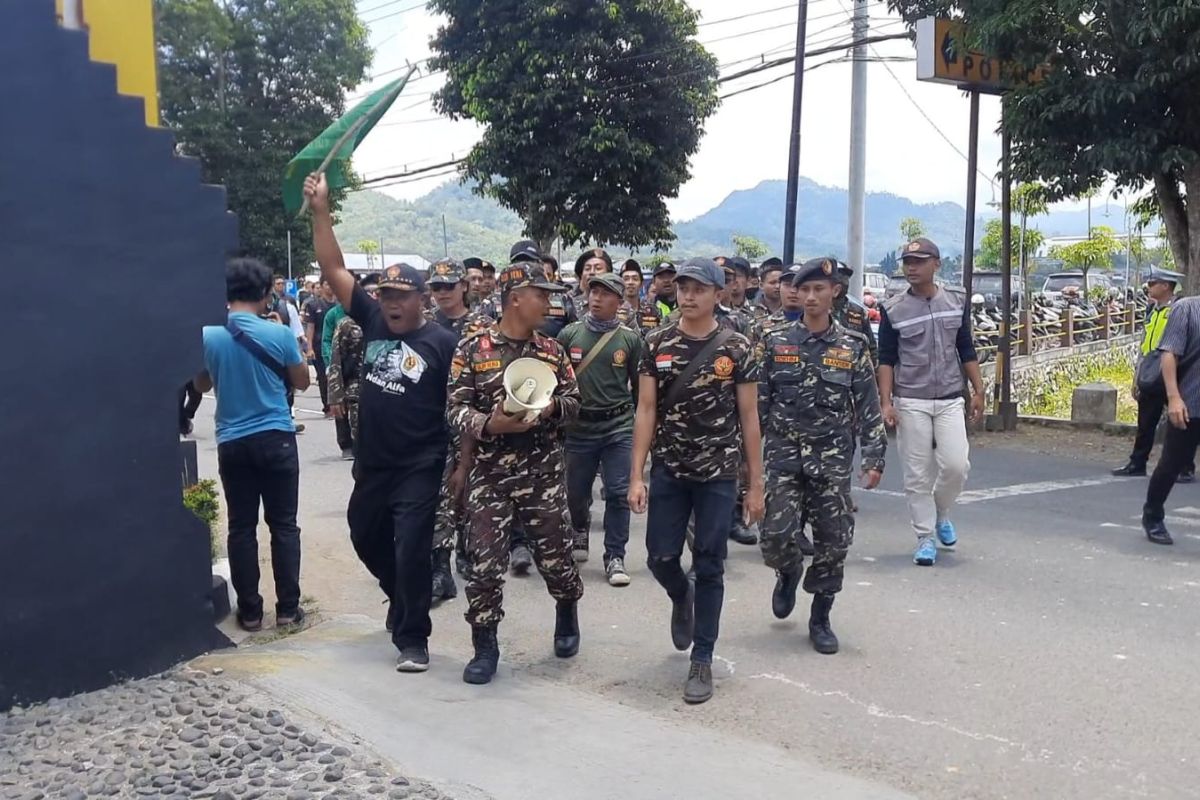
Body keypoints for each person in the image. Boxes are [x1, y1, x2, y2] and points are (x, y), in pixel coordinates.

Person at [307, 173, 459, 674]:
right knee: (364, 536)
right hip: (373, 465)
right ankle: (401, 596)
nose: (391, 303)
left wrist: (459, 467)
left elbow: (458, 410)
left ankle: (413, 637)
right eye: (386, 294)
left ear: (423, 300)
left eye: (401, 295)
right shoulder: (370, 321)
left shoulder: (442, 345)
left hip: (420, 463)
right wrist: (320, 209)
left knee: (413, 545)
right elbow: (332, 266)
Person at [629, 257, 765, 705]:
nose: (687, 296)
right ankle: (679, 594)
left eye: (697, 289)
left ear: (717, 294)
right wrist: (637, 475)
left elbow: (749, 416)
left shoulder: (737, 347)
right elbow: (646, 409)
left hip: (718, 474)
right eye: (683, 288)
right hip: (670, 468)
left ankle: (702, 658)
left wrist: (756, 485)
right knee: (660, 557)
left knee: (710, 563)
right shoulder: (656, 342)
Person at [447, 254, 585, 686]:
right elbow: (453, 409)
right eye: (541, 295)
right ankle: (484, 645)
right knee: (485, 565)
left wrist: (549, 411)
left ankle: (566, 610)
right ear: (515, 299)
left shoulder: (552, 350)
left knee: (556, 559)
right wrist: (489, 424)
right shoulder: (472, 349)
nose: (548, 303)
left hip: (542, 474)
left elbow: (575, 404)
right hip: (489, 475)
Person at [757, 259, 886, 653]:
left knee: (834, 542)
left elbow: (868, 404)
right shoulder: (775, 342)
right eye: (803, 288)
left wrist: (873, 457)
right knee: (776, 536)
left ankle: (820, 616)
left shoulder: (853, 346)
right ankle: (789, 570)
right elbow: (758, 405)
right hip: (783, 457)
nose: (809, 296)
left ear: (834, 293)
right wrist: (745, 461)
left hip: (831, 460)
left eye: (818, 289)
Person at [194, 258, 311, 632]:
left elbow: (200, 386)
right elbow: (303, 381)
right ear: (265, 295)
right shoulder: (277, 335)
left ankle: (250, 612)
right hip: (276, 437)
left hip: (233, 441)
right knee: (284, 526)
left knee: (241, 527)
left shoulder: (208, 335)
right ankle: (289, 609)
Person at [877, 238, 984, 567]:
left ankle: (942, 513)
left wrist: (978, 390)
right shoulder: (893, 308)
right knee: (917, 473)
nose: (912, 267)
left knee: (956, 465)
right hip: (911, 398)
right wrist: (886, 402)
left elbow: (964, 347)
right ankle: (925, 536)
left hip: (950, 396)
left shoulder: (956, 300)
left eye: (920, 261)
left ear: (936, 264)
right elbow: (886, 359)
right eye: (907, 261)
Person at [558, 272, 643, 586]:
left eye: (606, 294)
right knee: (575, 493)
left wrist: (637, 423)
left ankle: (615, 556)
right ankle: (579, 528)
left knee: (619, 493)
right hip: (579, 429)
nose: (596, 298)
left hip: (617, 427)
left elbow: (638, 388)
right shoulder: (569, 335)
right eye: (593, 292)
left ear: (618, 301)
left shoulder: (629, 340)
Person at [426, 258, 493, 601]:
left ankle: (468, 551)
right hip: (435, 419)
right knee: (442, 489)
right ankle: (441, 566)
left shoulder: (483, 325)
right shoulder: (424, 324)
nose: (441, 293)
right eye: (435, 287)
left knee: (470, 486)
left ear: (463, 287)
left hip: (475, 419)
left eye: (448, 286)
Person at [1114, 267, 1192, 480]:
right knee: (1145, 422)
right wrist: (1136, 376)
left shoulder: (1179, 310)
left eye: (1152, 283)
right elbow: (1143, 345)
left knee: (1180, 422)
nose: (1148, 287)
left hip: (1174, 373)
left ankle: (1185, 467)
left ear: (1166, 286)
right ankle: (1137, 463)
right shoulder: (1152, 311)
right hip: (1150, 371)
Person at [1142, 294, 1200, 545]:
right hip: (1190, 403)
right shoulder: (1186, 309)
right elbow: (1169, 354)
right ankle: (1152, 515)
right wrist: (1174, 397)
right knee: (1171, 464)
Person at [327, 274, 377, 460]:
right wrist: (336, 396)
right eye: (368, 292)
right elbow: (336, 360)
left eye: (377, 292)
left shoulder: (391, 322)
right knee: (362, 441)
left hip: (386, 390)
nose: (373, 296)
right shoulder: (346, 325)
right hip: (356, 388)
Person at [833, 263, 879, 364]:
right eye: (839, 276)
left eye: (846, 278)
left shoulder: (859, 312)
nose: (844, 281)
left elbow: (871, 347)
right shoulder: (818, 310)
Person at [303, 278, 337, 417]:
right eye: (327, 284)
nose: (329, 287)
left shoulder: (339, 304)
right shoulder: (313, 305)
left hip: (337, 343)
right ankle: (327, 407)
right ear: (321, 287)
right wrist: (309, 347)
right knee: (324, 377)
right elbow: (310, 327)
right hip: (319, 345)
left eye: (331, 284)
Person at [537, 255, 578, 336]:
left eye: (548, 275)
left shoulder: (564, 299)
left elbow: (573, 328)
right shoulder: (525, 298)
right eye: (541, 274)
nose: (545, 278)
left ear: (553, 277)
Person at [617, 259, 662, 334]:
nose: (630, 282)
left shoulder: (652, 310)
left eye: (635, 279)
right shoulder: (613, 310)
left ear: (641, 284)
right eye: (626, 279)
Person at [571, 248, 613, 318]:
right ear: (581, 275)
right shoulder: (569, 303)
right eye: (587, 269)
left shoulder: (621, 306)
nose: (592, 272)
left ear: (609, 274)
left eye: (598, 268)